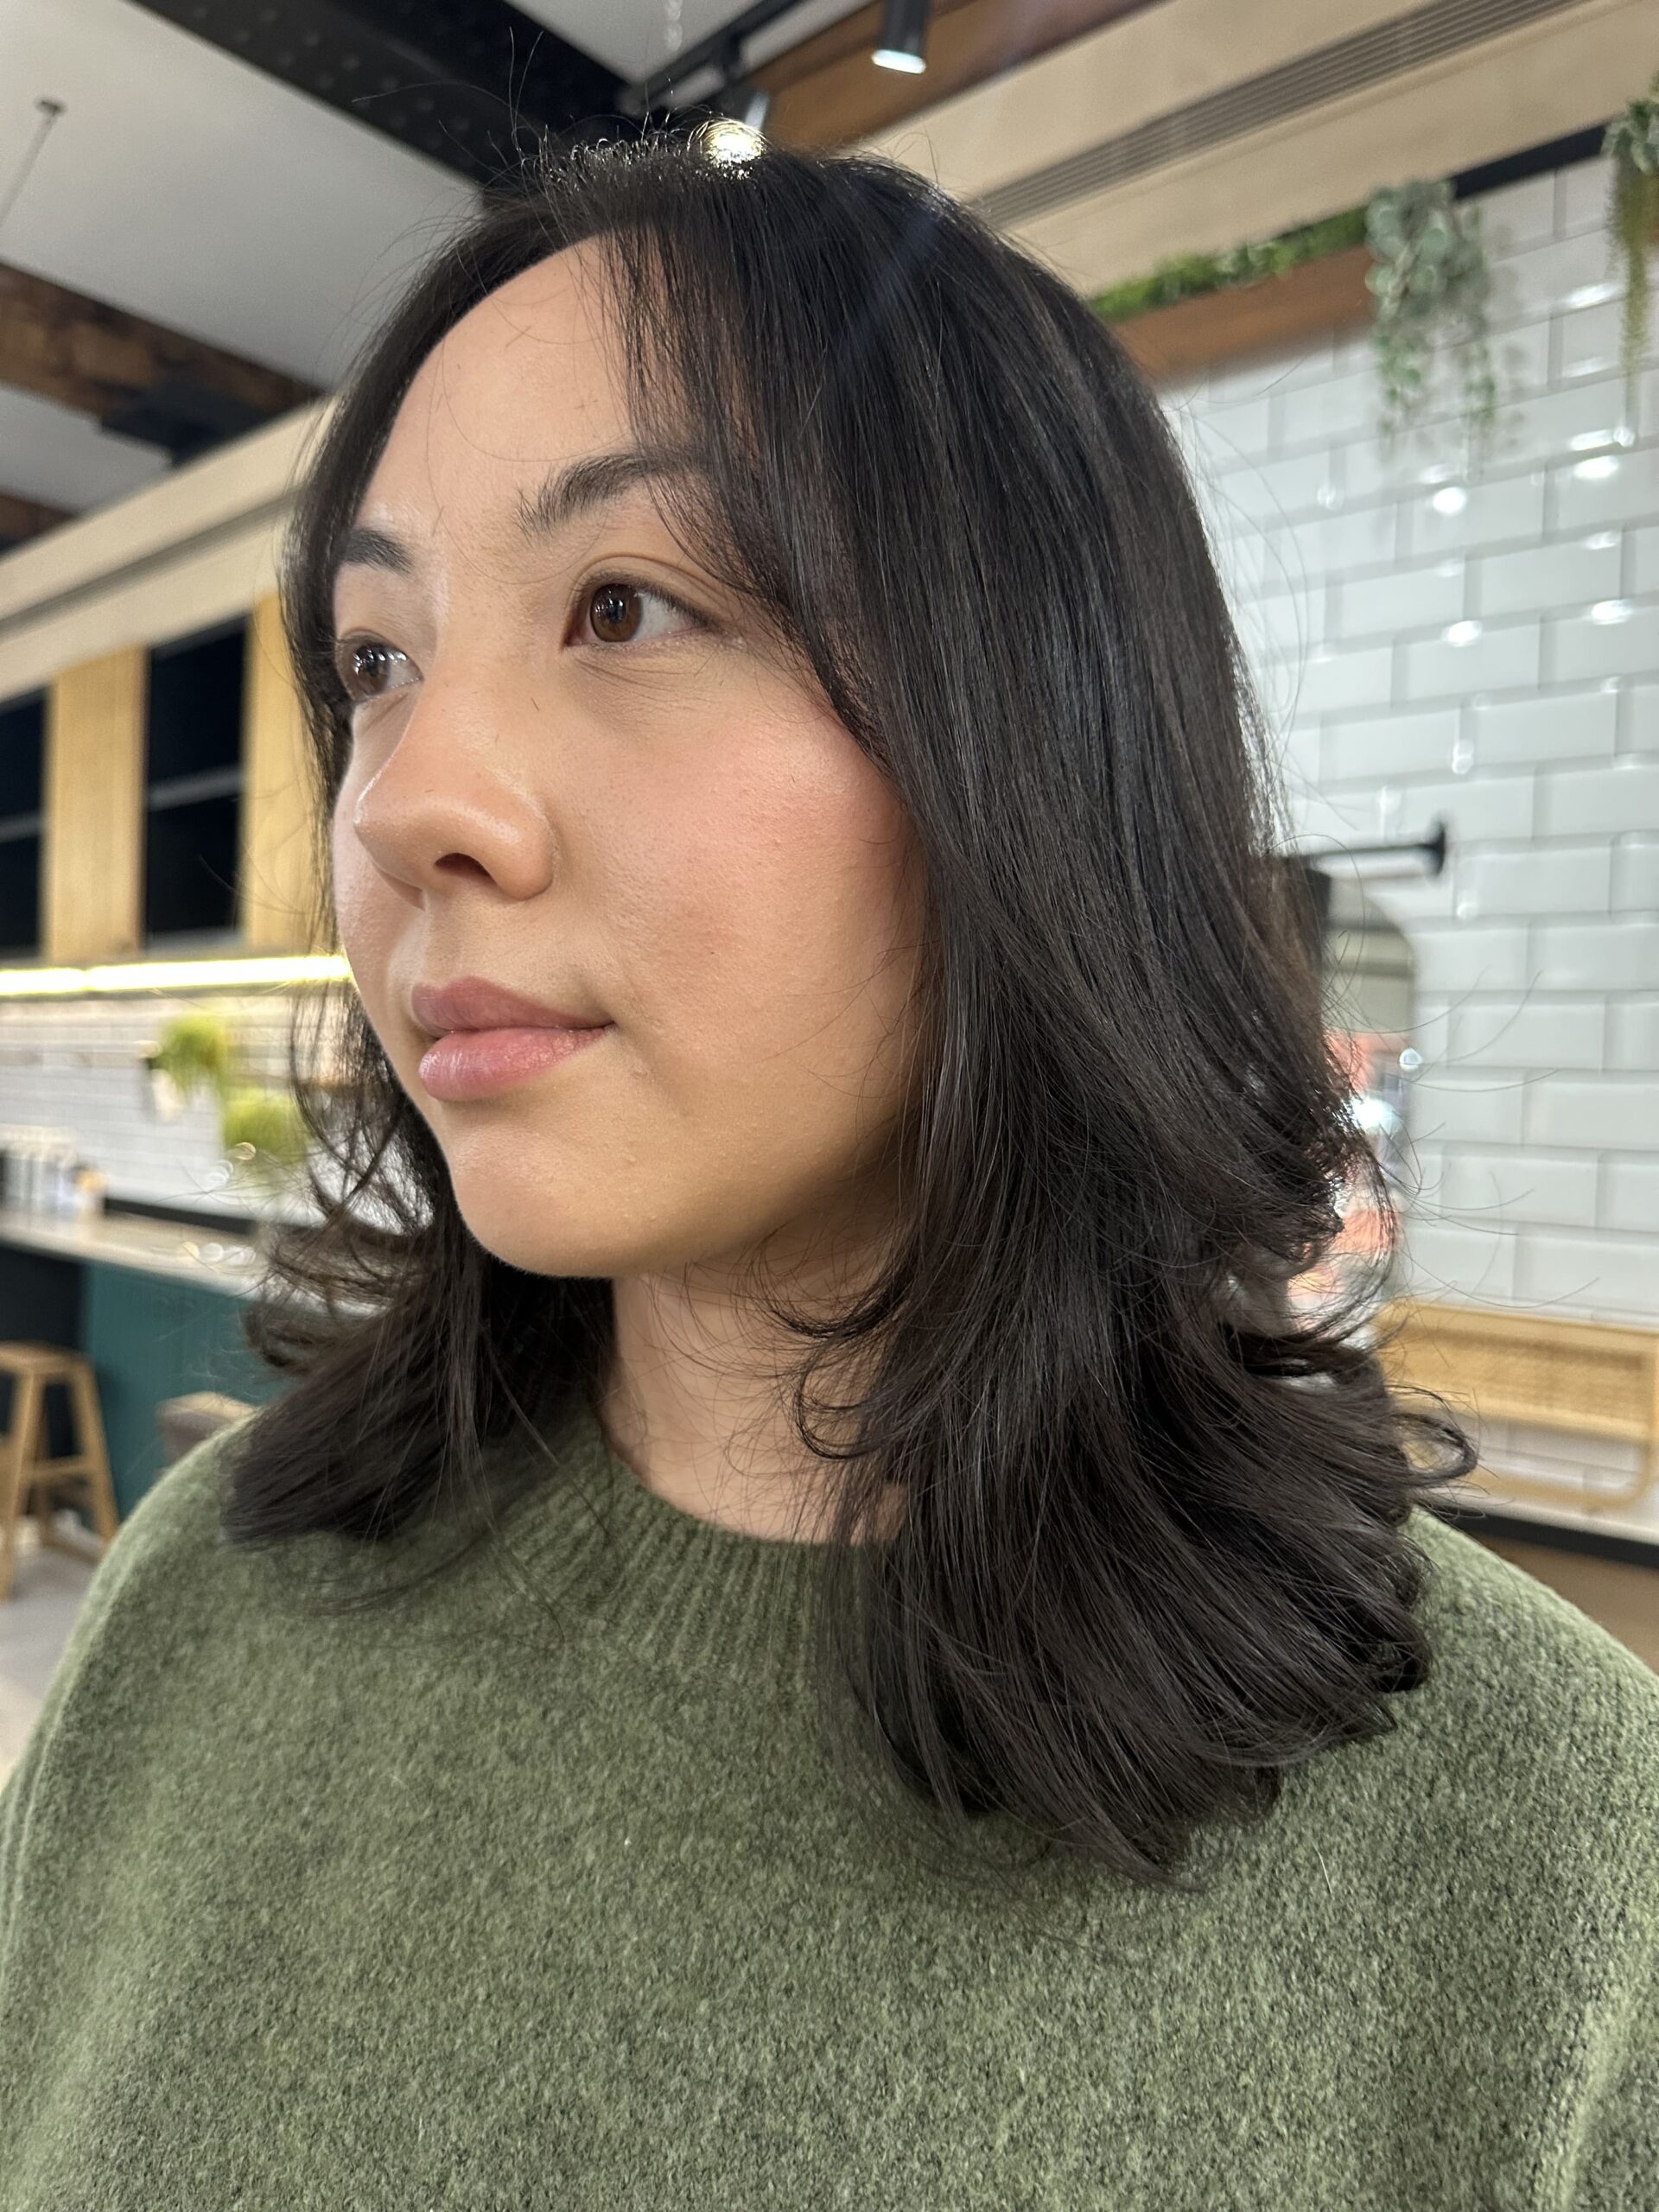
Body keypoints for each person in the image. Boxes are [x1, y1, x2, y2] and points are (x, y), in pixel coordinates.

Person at [1, 132, 1654, 2208]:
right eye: (374, 661)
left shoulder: (1561, 1866)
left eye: (626, 605)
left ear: (1027, 740)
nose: (411, 797)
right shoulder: (204, 1605)